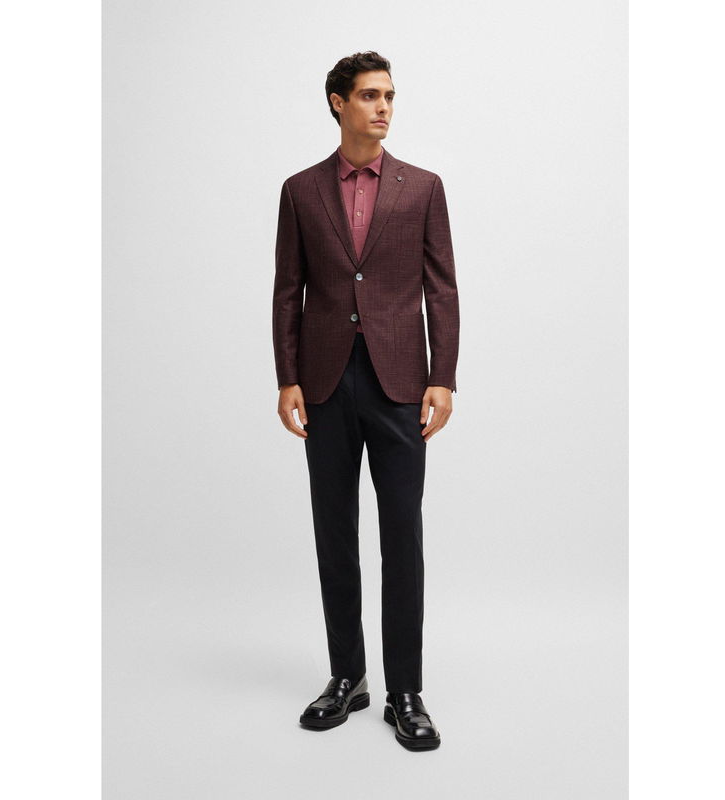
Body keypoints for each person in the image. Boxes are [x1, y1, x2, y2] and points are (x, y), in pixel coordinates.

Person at [272, 51, 460, 751]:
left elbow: (442, 287)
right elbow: (287, 289)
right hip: (324, 384)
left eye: (389, 96)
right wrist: (287, 377)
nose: (384, 107)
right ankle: (347, 677)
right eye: (370, 96)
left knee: (402, 537)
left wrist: (443, 377)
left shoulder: (423, 188)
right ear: (338, 102)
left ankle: (405, 690)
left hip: (400, 383)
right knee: (335, 534)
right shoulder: (300, 190)